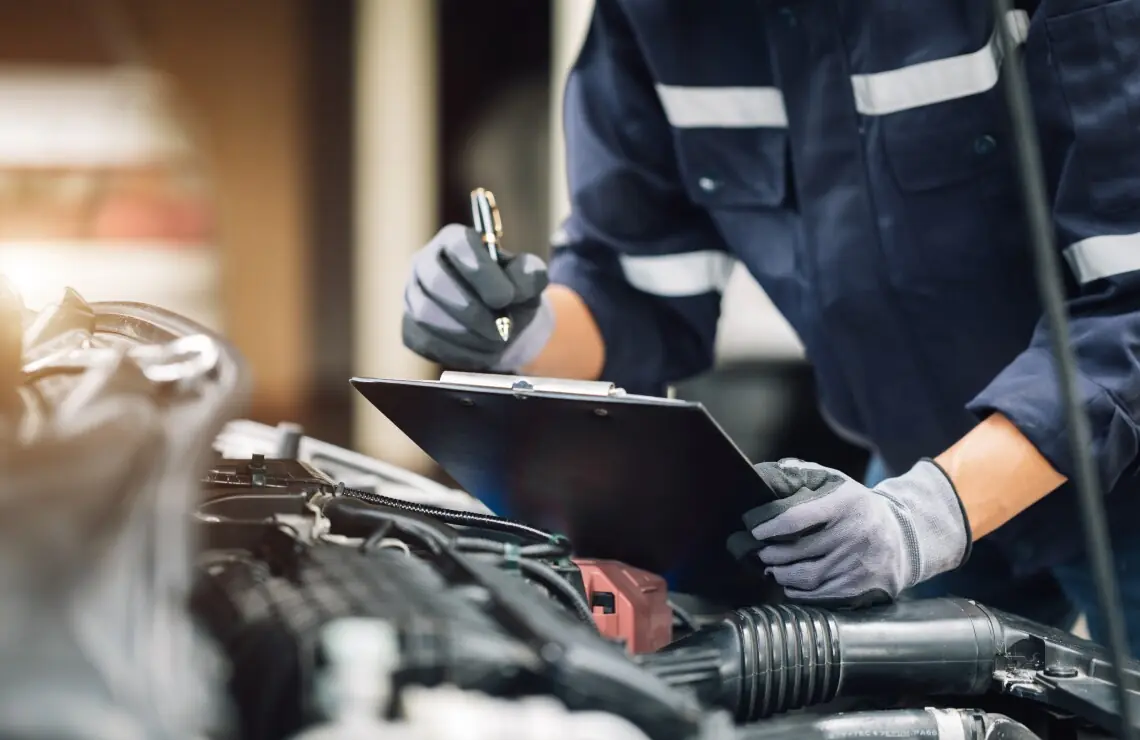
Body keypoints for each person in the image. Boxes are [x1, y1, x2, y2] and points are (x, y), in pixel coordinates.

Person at [401, 0, 1140, 649]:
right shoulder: (652, 20)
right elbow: (631, 287)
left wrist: (930, 516)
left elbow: (1131, 306)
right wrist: (510, 329)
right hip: (919, 464)